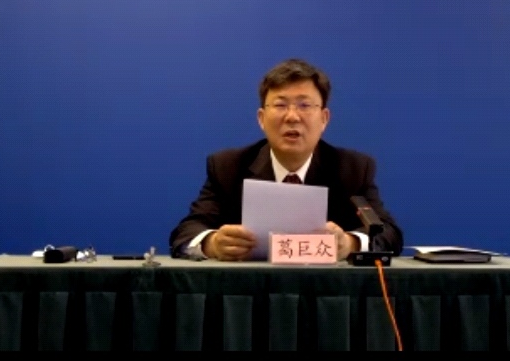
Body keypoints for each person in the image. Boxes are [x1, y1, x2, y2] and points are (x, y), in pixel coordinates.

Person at [169, 58, 403, 261]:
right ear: (261, 119)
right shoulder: (228, 167)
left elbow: (389, 234)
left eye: (304, 105)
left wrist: (350, 244)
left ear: (324, 119)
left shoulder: (353, 169)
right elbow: (186, 232)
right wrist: (212, 243)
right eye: (280, 105)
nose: (292, 117)